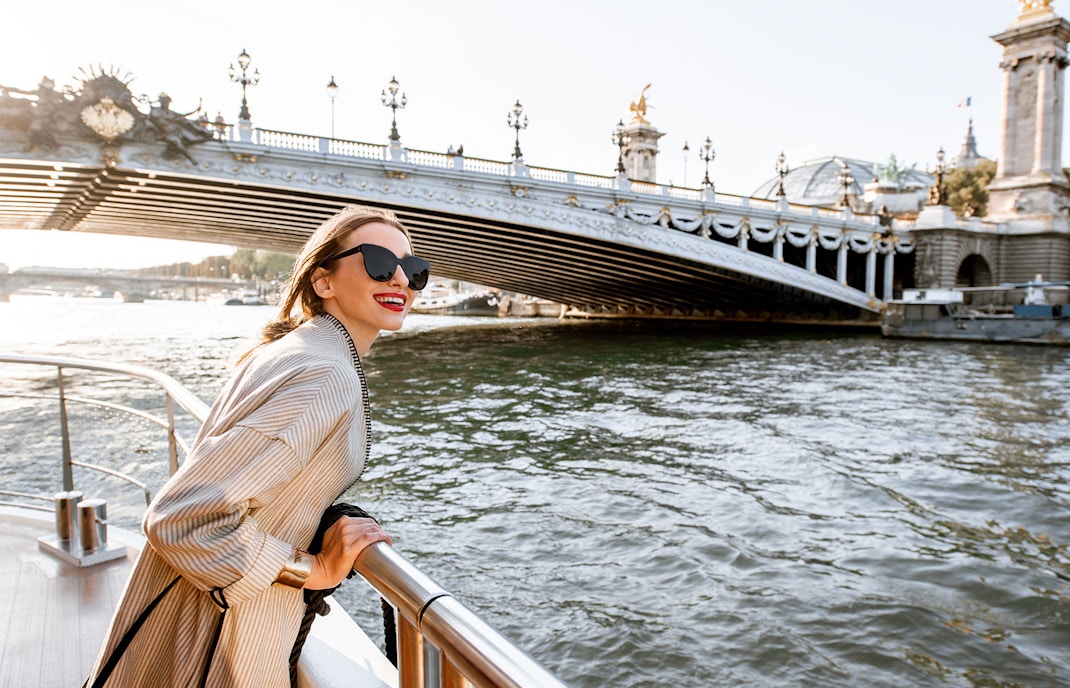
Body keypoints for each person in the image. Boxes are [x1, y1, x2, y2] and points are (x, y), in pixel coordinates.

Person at [86, 204, 431, 687]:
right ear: (323, 281)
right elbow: (184, 516)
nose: (400, 280)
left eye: (414, 271)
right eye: (378, 261)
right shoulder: (324, 373)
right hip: (221, 641)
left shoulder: (298, 348)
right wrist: (313, 569)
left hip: (192, 611)